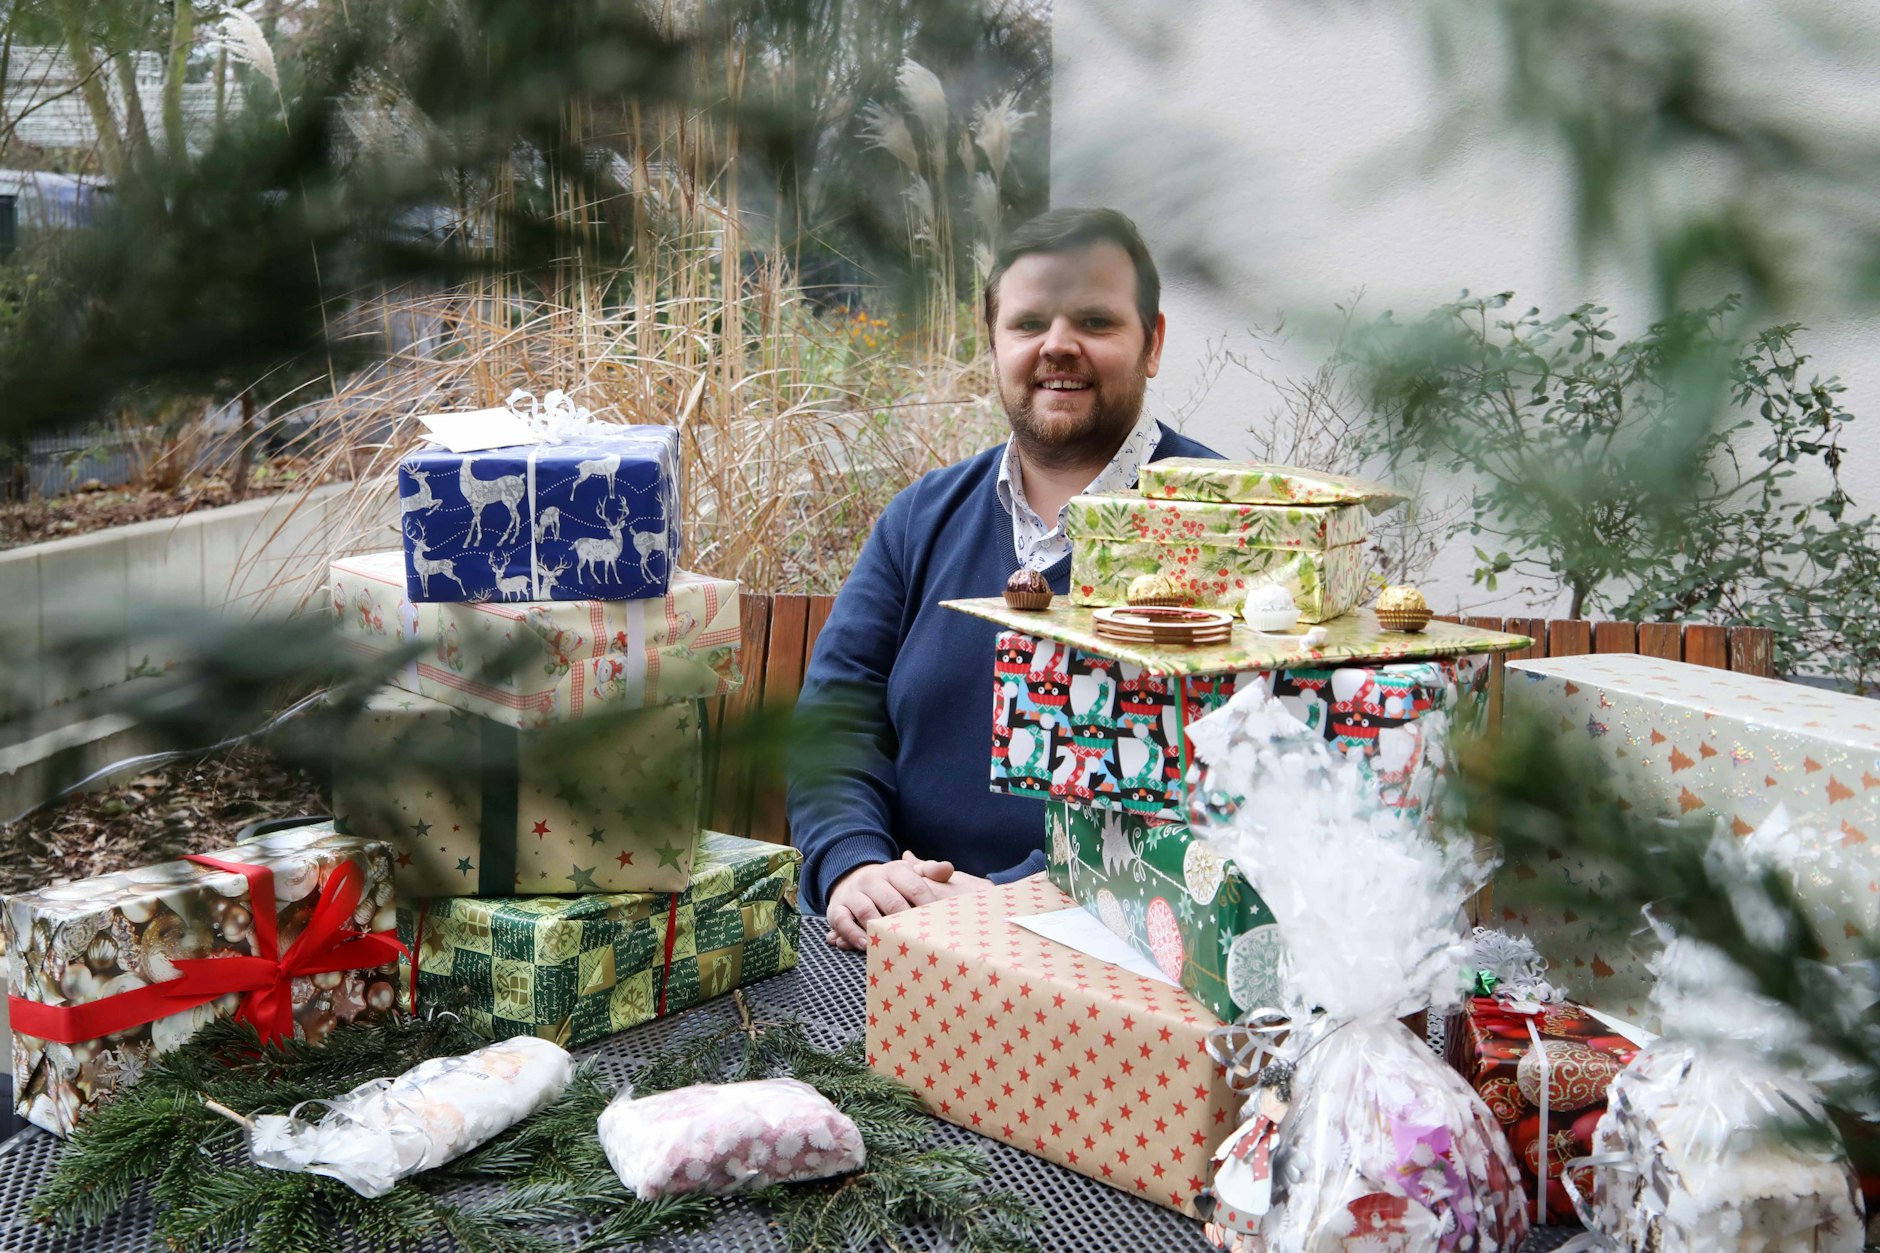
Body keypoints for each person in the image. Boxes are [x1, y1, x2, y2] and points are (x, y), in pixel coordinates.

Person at [786, 207, 1223, 948]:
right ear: (993, 342)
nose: (1058, 345)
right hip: (892, 937)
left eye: (1095, 321)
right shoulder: (919, 519)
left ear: (1152, 343)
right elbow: (837, 719)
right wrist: (855, 865)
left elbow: (1229, 784)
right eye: (1028, 324)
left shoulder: (1227, 531)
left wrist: (1013, 898)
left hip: (1110, 958)